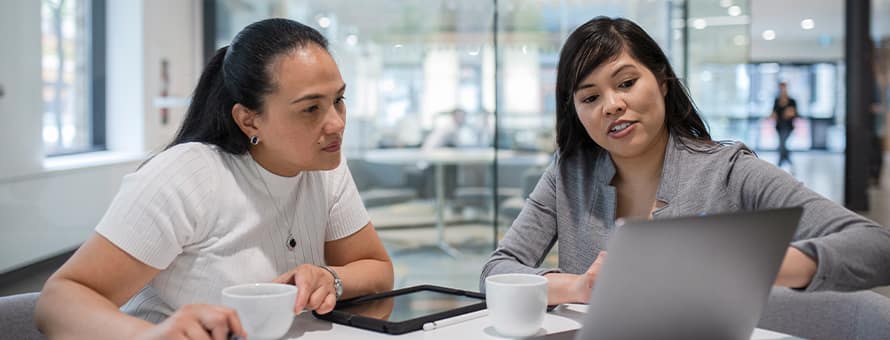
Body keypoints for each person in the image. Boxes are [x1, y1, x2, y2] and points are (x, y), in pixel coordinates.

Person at [480, 16, 890, 306]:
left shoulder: (727, 170)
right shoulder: (568, 177)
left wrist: (748, 263)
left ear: (660, 81)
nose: (612, 105)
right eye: (590, 97)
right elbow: (496, 271)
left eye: (626, 83)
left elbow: (875, 249)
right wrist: (577, 287)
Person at [36, 18, 393, 339]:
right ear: (249, 120)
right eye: (311, 108)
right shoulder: (187, 176)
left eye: (339, 100)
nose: (336, 123)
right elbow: (59, 299)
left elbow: (377, 270)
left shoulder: (323, 165)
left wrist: (330, 278)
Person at [770, 82, 798, 167]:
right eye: (781, 88)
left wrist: (791, 113)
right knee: (783, 144)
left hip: (788, 126)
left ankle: (780, 163)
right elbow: (773, 113)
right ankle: (788, 161)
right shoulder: (777, 100)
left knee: (782, 144)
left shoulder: (792, 101)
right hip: (779, 126)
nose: (782, 90)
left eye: (784, 88)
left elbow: (796, 113)